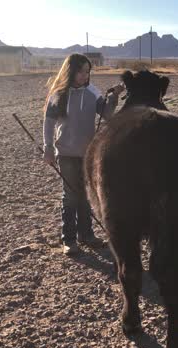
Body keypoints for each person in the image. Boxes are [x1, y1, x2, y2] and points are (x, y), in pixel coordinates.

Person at [42, 53, 124, 255]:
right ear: (71, 71)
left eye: (87, 72)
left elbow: (107, 114)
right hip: (66, 153)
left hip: (88, 155)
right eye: (80, 71)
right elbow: (49, 123)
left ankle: (86, 235)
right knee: (70, 196)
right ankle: (68, 240)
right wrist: (48, 148)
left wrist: (113, 97)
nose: (84, 76)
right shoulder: (58, 95)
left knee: (86, 196)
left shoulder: (93, 93)